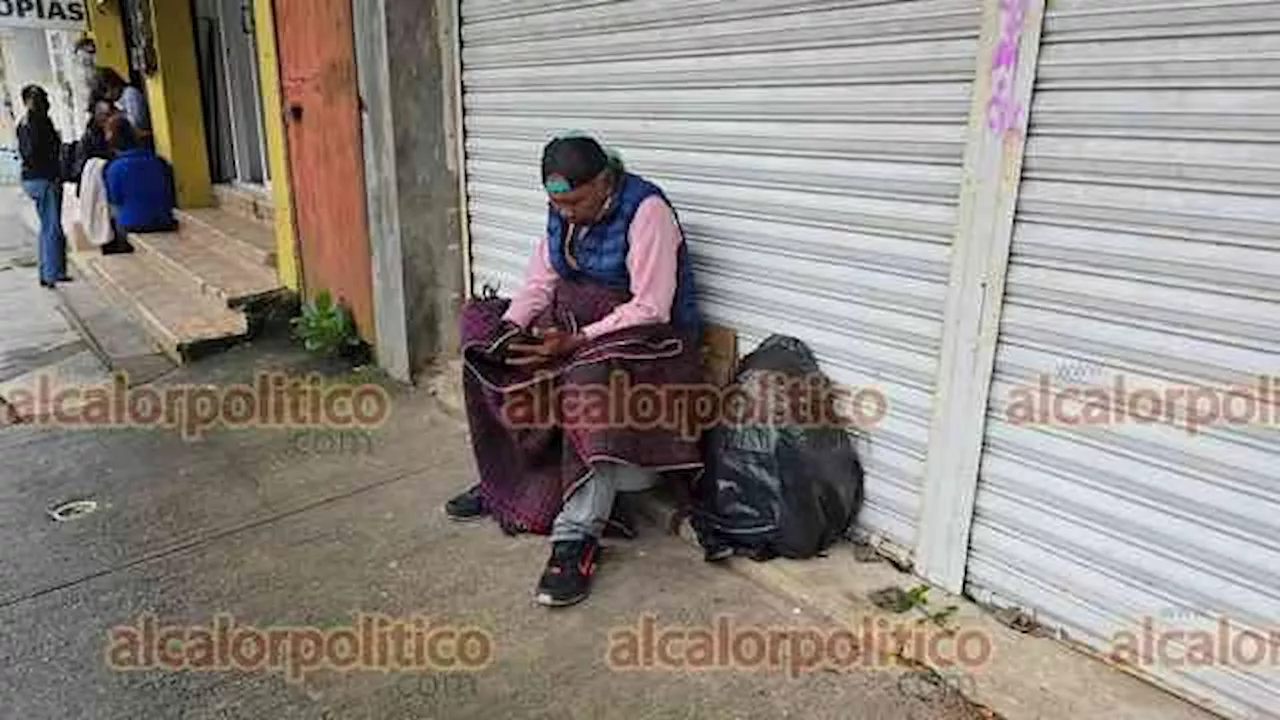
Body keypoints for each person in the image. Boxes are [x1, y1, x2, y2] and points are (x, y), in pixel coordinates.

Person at [447, 133, 703, 607]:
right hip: (577, 326)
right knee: (479, 332)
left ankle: (575, 539)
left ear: (605, 181)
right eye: (556, 203)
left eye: (576, 201)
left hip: (651, 343)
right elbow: (540, 284)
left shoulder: (647, 212)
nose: (566, 212)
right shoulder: (561, 213)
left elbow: (651, 306)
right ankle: (509, 482)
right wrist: (510, 328)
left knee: (588, 378)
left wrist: (578, 340)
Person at [17, 85, 69, 288]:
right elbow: (43, 151)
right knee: (52, 226)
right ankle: (52, 273)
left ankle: (48, 270)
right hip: (45, 178)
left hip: (32, 179)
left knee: (47, 225)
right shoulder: (40, 122)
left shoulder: (24, 122)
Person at [103, 116, 176, 234]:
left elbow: (114, 198)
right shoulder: (158, 162)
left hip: (132, 223)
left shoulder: (114, 168)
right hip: (163, 219)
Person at [93, 67, 151, 146]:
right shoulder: (118, 101)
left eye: (107, 91)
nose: (108, 97)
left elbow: (136, 122)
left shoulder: (130, 94)